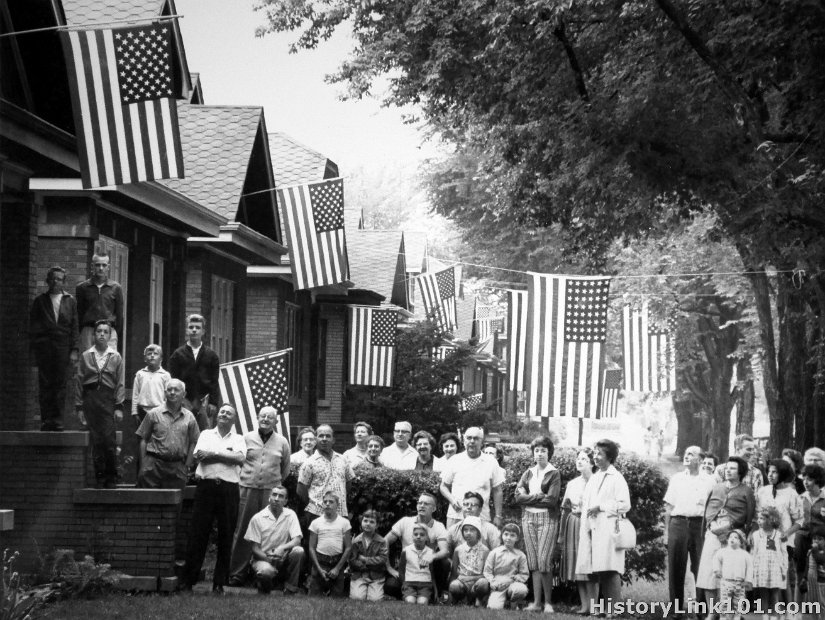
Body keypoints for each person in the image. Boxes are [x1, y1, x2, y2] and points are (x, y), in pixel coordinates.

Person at [181, 404, 246, 594]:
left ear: (234, 419)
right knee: (198, 534)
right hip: (206, 488)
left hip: (229, 489)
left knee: (226, 535)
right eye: (222, 411)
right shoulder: (206, 434)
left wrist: (214, 454)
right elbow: (200, 457)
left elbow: (239, 459)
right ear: (217, 416)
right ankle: (189, 580)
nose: (224, 414)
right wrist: (226, 456)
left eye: (228, 413)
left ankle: (219, 583)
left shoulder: (239, 439)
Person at [228, 406, 292, 586]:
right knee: (243, 530)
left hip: (270, 493)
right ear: (257, 418)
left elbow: (285, 469)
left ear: (276, 421)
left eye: (270, 417)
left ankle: (264, 572)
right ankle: (237, 573)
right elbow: (237, 462)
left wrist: (272, 484)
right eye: (263, 416)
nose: (265, 419)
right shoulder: (246, 438)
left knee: (268, 531)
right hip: (247, 489)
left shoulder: (282, 442)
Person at [576, 439, 632, 618]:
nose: (595, 456)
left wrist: (601, 507)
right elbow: (587, 504)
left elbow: (625, 505)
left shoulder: (617, 478)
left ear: (609, 456)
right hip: (592, 529)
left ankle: (614, 610)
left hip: (608, 530)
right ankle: (599, 609)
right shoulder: (595, 477)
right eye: (595, 453)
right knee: (596, 570)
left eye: (599, 453)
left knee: (610, 569)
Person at [696, 456, 756, 616]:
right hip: (713, 535)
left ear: (740, 472)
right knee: (709, 574)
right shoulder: (717, 487)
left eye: (733, 468)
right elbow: (709, 511)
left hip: (733, 538)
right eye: (727, 468)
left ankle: (730, 613)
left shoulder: (746, 491)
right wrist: (713, 526)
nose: (728, 470)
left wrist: (728, 530)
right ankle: (712, 612)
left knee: (730, 575)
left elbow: (748, 517)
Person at [663, 445, 715, 612]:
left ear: (700, 460)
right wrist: (666, 532)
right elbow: (669, 507)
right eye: (686, 453)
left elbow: (713, 507)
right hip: (677, 524)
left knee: (701, 567)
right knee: (676, 568)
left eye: (691, 454)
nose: (686, 456)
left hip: (699, 526)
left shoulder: (710, 480)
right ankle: (676, 610)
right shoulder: (677, 478)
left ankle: (702, 610)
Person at [75, 319, 125, 488]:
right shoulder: (86, 356)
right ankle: (100, 477)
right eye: (99, 331)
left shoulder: (115, 356)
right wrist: (79, 407)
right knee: (96, 441)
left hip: (108, 400)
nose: (102, 334)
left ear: (110, 336)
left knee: (109, 440)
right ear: (94, 335)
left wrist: (119, 406)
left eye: (105, 332)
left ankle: (111, 477)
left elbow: (120, 383)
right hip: (91, 400)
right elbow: (79, 381)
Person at [514, 435, 561, 613]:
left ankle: (548, 603)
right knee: (533, 562)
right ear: (533, 453)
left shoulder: (554, 473)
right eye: (537, 450)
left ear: (549, 453)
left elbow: (551, 500)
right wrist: (536, 496)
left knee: (543, 561)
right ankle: (536, 603)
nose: (539, 453)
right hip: (528, 518)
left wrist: (528, 498)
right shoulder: (528, 472)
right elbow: (518, 497)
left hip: (547, 519)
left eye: (543, 450)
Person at [29, 266, 79, 431]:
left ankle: (57, 421)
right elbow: (33, 327)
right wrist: (37, 349)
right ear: (47, 281)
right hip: (45, 348)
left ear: (64, 282)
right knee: (45, 384)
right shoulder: (40, 301)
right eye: (53, 278)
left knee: (60, 384)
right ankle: (46, 420)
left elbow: (74, 326)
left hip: (63, 347)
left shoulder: (70, 301)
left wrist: (74, 350)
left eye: (59, 279)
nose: (55, 281)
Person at [384, 492, 451, 600]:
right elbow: (385, 541)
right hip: (408, 567)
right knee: (390, 586)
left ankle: (437, 592)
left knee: (445, 563)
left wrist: (432, 556)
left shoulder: (438, 526)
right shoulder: (405, 521)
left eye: (426, 504)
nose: (422, 506)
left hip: (427, 568)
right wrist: (389, 568)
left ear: (434, 509)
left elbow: (445, 551)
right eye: (420, 503)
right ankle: (413, 593)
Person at [135, 378, 200, 489]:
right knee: (149, 498)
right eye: (169, 390)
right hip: (153, 467)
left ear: (184, 394)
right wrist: (143, 465)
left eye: (176, 390)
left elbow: (194, 442)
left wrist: (187, 466)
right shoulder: (153, 414)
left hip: (177, 469)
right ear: (165, 393)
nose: (172, 392)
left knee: (174, 500)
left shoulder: (189, 417)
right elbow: (143, 440)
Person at [756, 459, 802, 604]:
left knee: (783, 576)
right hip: (765, 540)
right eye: (769, 472)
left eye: (774, 472)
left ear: (782, 473)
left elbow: (799, 521)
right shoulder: (763, 491)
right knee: (766, 577)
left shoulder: (791, 494)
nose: (770, 475)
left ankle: (789, 610)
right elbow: (758, 515)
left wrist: (786, 534)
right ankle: (769, 611)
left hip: (783, 542)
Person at [440, 427, 505, 528]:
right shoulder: (454, 460)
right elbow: (443, 486)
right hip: (456, 516)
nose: (472, 441)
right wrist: (452, 500)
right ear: (464, 441)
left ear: (482, 442)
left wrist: (498, 516)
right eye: (469, 438)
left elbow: (497, 490)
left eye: (476, 438)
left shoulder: (491, 462)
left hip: (482, 517)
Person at [245, 485, 305, 595]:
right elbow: (255, 549)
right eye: (274, 495)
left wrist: (282, 547)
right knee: (266, 571)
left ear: (286, 501)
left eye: (281, 496)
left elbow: (297, 540)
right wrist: (269, 560)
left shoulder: (291, 515)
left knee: (298, 551)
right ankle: (265, 587)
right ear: (269, 498)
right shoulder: (257, 518)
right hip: (263, 559)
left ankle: (290, 589)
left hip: (283, 558)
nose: (276, 499)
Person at [558, 448, 598, 614]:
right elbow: (565, 509)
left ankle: (595, 607)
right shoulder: (572, 484)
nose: (579, 462)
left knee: (591, 566)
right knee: (578, 565)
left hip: (591, 525)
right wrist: (561, 534)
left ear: (592, 463)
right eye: (578, 459)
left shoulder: (597, 482)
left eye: (584, 459)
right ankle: (585, 606)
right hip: (574, 523)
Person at [168, 314, 220, 430]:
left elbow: (214, 381)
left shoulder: (211, 355)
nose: (194, 330)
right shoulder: (177, 354)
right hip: (184, 400)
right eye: (191, 327)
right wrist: (179, 400)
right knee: (182, 431)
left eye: (198, 327)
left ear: (203, 331)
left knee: (204, 433)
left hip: (204, 401)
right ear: (187, 330)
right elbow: (173, 380)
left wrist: (213, 402)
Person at [297, 425, 355, 520]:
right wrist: (314, 504)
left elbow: (348, 483)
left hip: (340, 513)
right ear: (316, 439)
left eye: (328, 436)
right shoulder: (309, 462)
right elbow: (301, 489)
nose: (324, 439)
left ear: (333, 440)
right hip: (316, 514)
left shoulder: (343, 460)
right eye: (321, 436)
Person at [75, 253, 123, 351]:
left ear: (108, 267)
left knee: (108, 360)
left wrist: (113, 331)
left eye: (104, 265)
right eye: (98, 265)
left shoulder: (116, 288)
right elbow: (79, 313)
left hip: (108, 330)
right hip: (88, 331)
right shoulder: (82, 287)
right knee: (88, 360)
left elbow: (119, 314)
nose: (101, 268)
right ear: (92, 266)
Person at [308, 492, 352, 597]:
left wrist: (337, 568)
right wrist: (319, 569)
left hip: (337, 562)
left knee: (336, 598)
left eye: (331, 502)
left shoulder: (344, 523)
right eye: (325, 502)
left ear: (337, 505)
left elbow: (348, 547)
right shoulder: (316, 523)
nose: (327, 504)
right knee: (314, 598)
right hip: (320, 562)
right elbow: (311, 548)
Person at [750, 506, 788, 619]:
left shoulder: (780, 535)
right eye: (758, 518)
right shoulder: (756, 535)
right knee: (763, 593)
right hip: (761, 568)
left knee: (775, 594)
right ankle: (765, 615)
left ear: (771, 519)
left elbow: (784, 553)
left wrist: (784, 569)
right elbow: (754, 552)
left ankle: (774, 616)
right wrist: (752, 569)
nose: (759, 521)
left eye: (762, 518)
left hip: (775, 568)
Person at [483, 523, 530, 610]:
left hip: (513, 584)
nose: (508, 538)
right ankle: (499, 600)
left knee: (521, 590)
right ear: (502, 536)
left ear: (517, 538)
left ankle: (513, 601)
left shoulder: (520, 555)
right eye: (506, 534)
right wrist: (492, 582)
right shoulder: (494, 552)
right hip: (498, 585)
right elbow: (487, 571)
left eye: (512, 535)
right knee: (494, 607)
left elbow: (524, 574)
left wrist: (516, 578)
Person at [447, 516, 490, 606]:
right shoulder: (458, 549)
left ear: (478, 532)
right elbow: (454, 572)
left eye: (472, 530)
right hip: (463, 581)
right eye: (465, 530)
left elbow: (487, 572)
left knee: (483, 583)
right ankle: (463, 598)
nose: (468, 533)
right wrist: (450, 598)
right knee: (454, 586)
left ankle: (479, 599)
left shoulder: (485, 550)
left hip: (478, 580)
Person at [712, 529, 753, 620]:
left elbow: (750, 567)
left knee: (738, 603)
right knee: (724, 602)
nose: (732, 539)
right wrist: (717, 570)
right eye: (730, 537)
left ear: (741, 541)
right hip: (726, 582)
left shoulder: (744, 554)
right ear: (727, 539)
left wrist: (748, 580)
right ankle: (723, 617)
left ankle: (737, 617)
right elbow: (716, 559)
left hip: (740, 583)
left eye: (736, 537)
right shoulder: (722, 551)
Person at [797, 464, 825, 595]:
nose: (805, 482)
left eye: (809, 479)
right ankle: (800, 604)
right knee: (802, 573)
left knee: (821, 575)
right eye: (804, 479)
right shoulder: (800, 498)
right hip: (802, 539)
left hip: (821, 541)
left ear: (817, 480)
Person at [349, 509, 388, 601]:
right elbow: (352, 560)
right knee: (357, 597)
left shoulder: (381, 541)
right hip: (360, 575)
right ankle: (361, 588)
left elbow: (383, 559)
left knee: (375, 599)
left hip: (376, 576)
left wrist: (365, 560)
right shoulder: (356, 541)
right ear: (361, 522)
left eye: (372, 522)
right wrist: (364, 569)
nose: (368, 524)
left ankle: (379, 591)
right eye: (365, 521)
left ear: (377, 525)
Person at [130, 344, 170, 426]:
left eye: (155, 354)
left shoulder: (165, 375)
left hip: (160, 411)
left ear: (161, 359)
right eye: (149, 354)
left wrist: (167, 412)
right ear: (145, 359)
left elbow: (168, 396)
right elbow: (135, 395)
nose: (152, 356)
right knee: (142, 433)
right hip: (142, 411)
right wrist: (135, 412)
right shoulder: (140, 374)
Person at [398, 523, 434, 605]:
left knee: (422, 602)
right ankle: (408, 595)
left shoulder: (430, 552)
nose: (418, 536)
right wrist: (404, 584)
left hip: (425, 584)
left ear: (426, 537)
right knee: (410, 601)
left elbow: (431, 571)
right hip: (409, 583)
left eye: (422, 535)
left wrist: (434, 588)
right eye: (416, 534)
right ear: (412, 536)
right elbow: (401, 570)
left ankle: (424, 597)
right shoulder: (406, 551)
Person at [800, 525, 825, 620]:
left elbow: (820, 559)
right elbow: (808, 565)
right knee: (813, 601)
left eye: (820, 539)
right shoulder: (811, 551)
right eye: (814, 538)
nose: (816, 541)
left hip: (822, 581)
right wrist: (804, 577)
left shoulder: (820, 551)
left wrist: (814, 550)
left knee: (822, 603)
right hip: (812, 580)